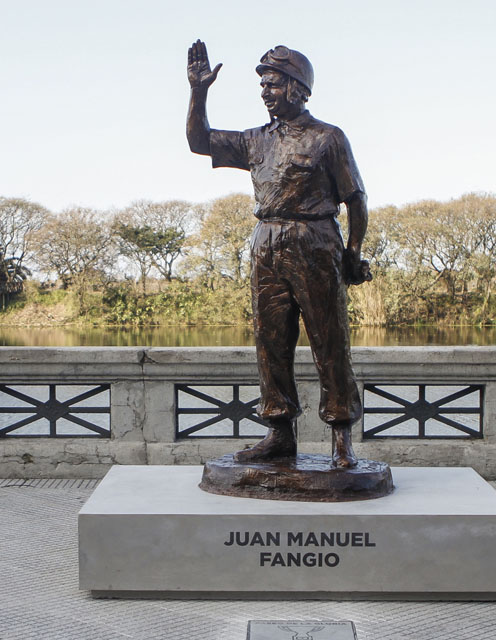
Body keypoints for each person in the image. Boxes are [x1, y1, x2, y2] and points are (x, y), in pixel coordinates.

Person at [186, 40, 370, 468]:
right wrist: (199, 91)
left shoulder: (327, 138)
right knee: (270, 342)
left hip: (315, 241)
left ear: (297, 88)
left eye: (272, 84)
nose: (265, 92)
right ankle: (279, 432)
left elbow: (356, 200)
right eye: (263, 85)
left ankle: (341, 437)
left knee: (330, 342)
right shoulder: (256, 141)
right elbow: (200, 141)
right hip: (266, 243)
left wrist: (353, 253)